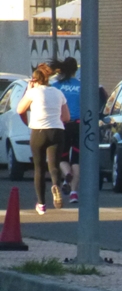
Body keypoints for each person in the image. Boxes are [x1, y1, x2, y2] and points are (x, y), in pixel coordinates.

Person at [16, 67, 70, 215]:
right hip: (57, 131)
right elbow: (66, 117)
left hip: (38, 131)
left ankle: (41, 204)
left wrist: (28, 90)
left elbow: (20, 109)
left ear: (34, 80)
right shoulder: (59, 93)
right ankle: (55, 185)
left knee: (39, 167)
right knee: (54, 165)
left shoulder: (33, 92)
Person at [51, 57, 81, 203]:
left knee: (62, 157)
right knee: (76, 159)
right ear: (76, 70)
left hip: (62, 124)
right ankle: (74, 192)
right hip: (78, 124)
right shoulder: (82, 86)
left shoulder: (56, 86)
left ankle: (67, 173)